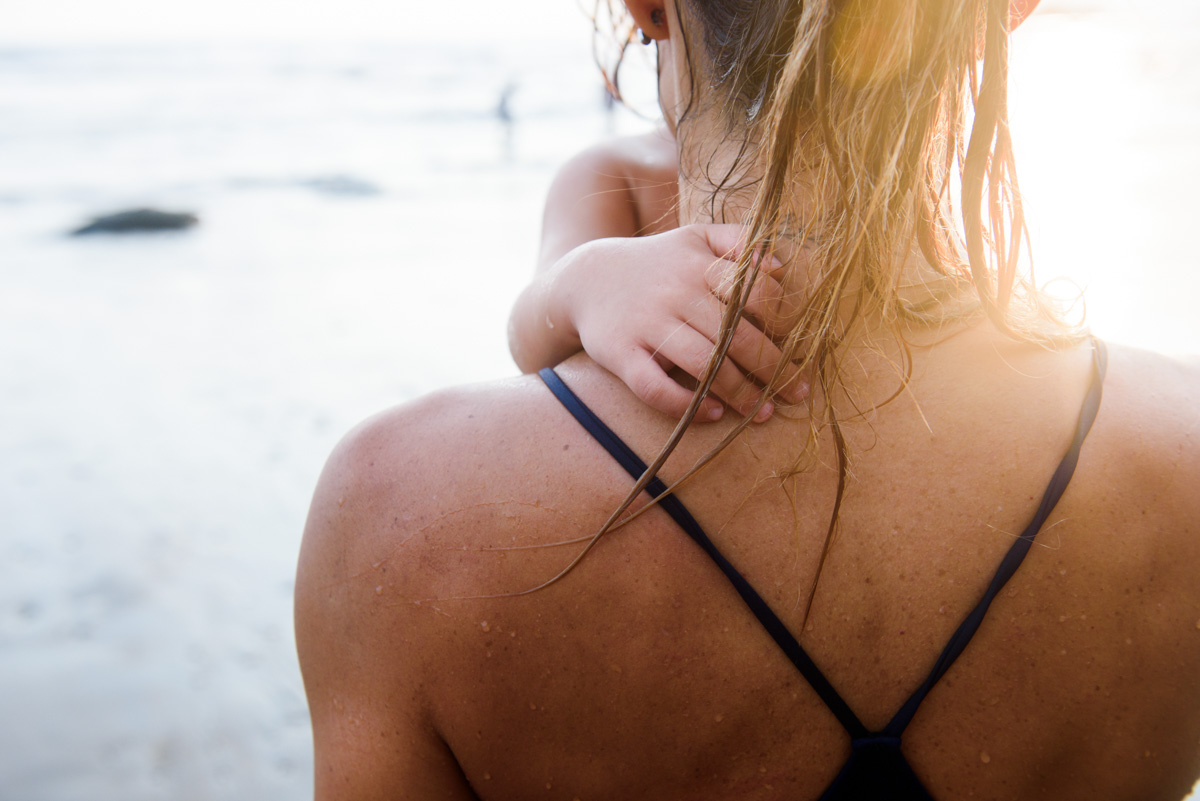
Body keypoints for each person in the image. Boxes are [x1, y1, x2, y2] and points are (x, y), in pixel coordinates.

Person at [295, 0, 1200, 799]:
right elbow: (540, 313)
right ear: (1008, 7)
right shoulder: (1177, 461)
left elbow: (537, 353)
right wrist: (581, 286)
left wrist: (573, 294)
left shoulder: (394, 526)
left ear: (646, 6)